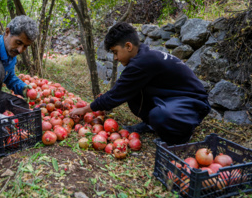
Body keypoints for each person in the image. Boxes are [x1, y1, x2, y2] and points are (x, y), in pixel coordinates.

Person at [70, 22, 211, 145]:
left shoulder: (142, 62)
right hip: (174, 97)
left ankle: (181, 136)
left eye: (115, 52)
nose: (115, 58)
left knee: (159, 115)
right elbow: (121, 90)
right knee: (132, 93)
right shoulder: (142, 57)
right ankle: (151, 125)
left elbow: (115, 95)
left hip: (194, 103)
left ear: (128, 46)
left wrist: (83, 110)